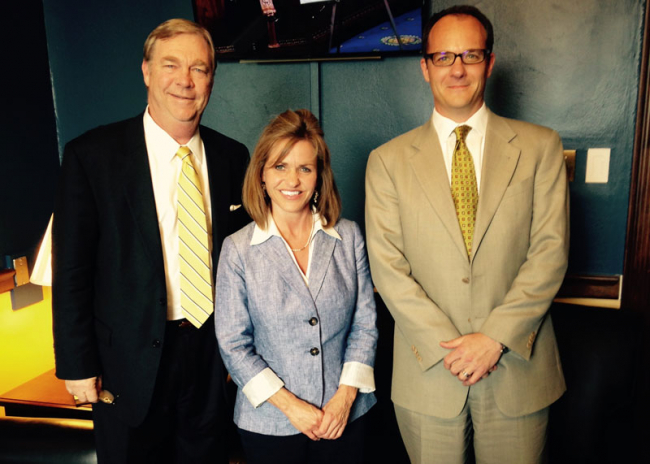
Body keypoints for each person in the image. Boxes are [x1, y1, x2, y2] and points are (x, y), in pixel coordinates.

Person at [365, 5, 569, 463]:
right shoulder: (387, 162)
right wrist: (455, 350)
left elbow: (550, 253)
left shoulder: (540, 147)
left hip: (519, 368)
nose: (457, 69)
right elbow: (388, 268)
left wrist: (493, 338)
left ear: (490, 63)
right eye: (443, 57)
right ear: (425, 67)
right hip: (430, 374)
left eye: (471, 55)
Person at [51, 18, 250, 463]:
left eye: (199, 68)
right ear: (146, 71)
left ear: (212, 79)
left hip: (209, 357)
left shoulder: (232, 156)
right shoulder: (92, 157)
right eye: (171, 65)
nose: (185, 80)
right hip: (124, 364)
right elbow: (72, 272)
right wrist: (77, 365)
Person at [214, 109, 377, 464]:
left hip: (346, 417)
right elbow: (233, 344)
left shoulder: (347, 237)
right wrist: (293, 408)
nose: (293, 179)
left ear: (319, 176)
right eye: (280, 167)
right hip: (270, 424)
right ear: (261, 174)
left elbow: (365, 325)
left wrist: (345, 397)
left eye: (305, 168)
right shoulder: (238, 250)